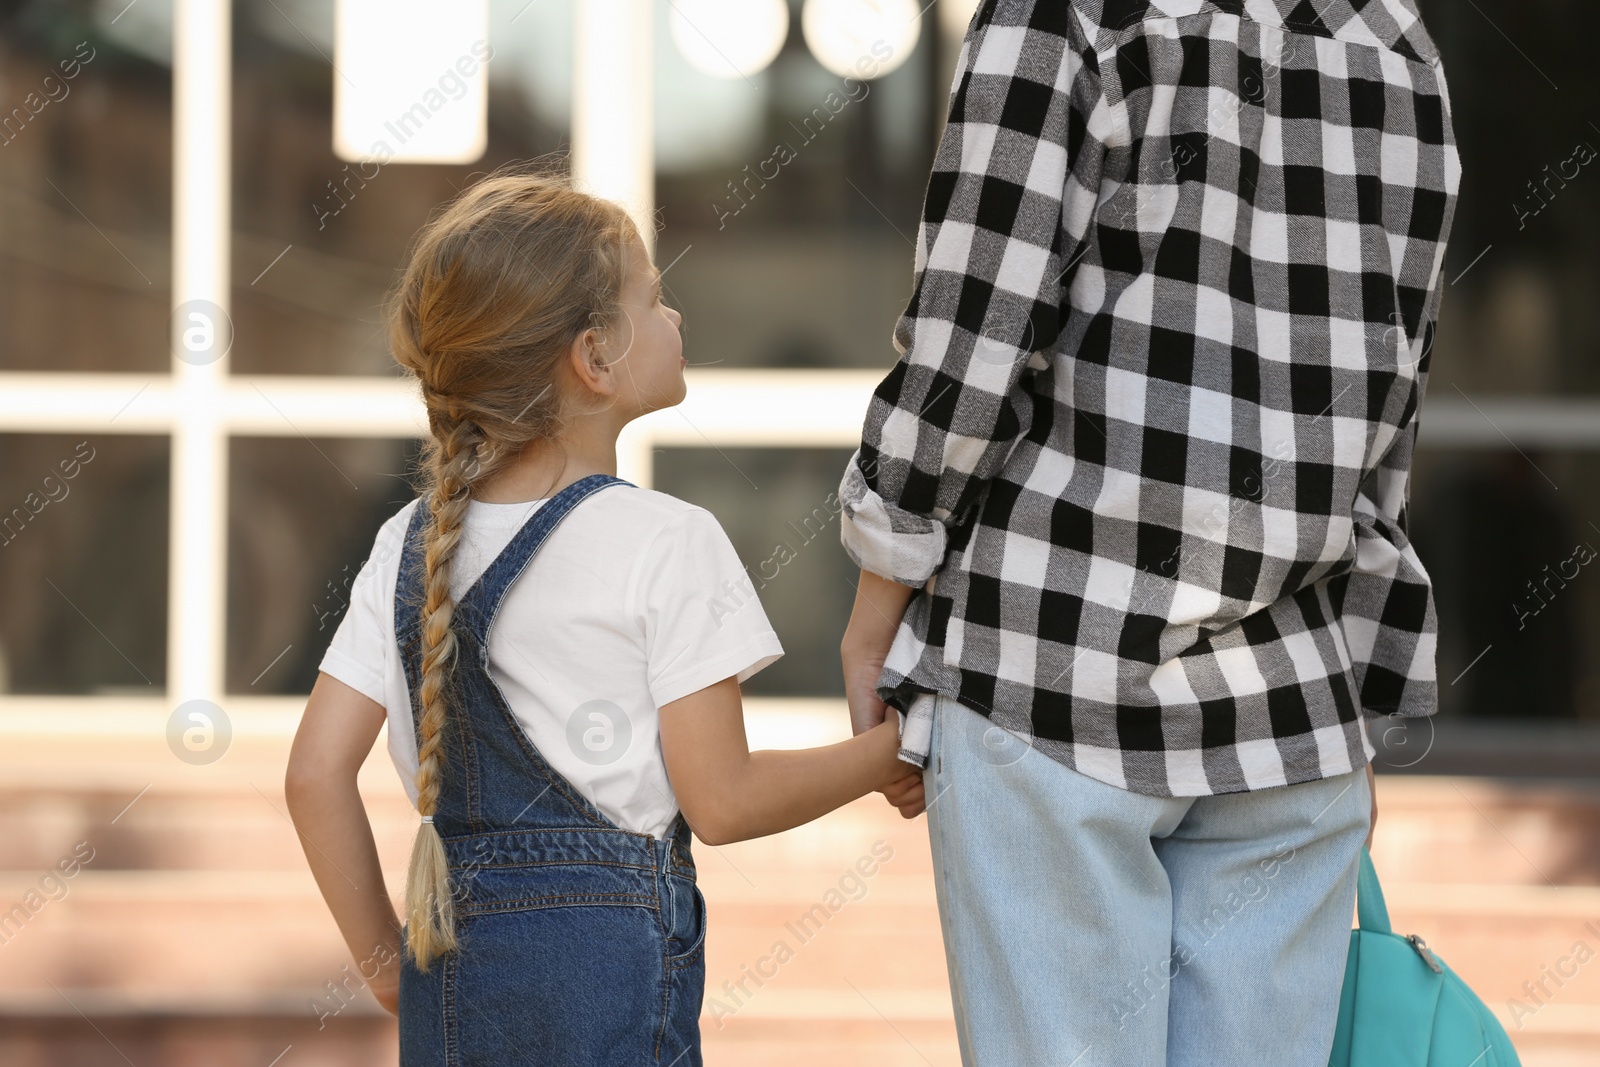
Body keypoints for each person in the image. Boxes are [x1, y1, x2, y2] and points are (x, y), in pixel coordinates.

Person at [838, 1, 1460, 1064]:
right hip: (1290, 693)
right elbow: (1391, 389)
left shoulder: (1065, 17)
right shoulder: (1394, 42)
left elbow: (972, 329)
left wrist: (878, 591)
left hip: (1052, 664)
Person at [284, 170, 916, 1066]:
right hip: (612, 984)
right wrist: (887, 756)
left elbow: (314, 774)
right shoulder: (667, 539)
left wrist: (389, 967)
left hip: (450, 980)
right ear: (595, 357)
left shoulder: (407, 543)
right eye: (656, 299)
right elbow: (725, 801)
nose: (678, 319)